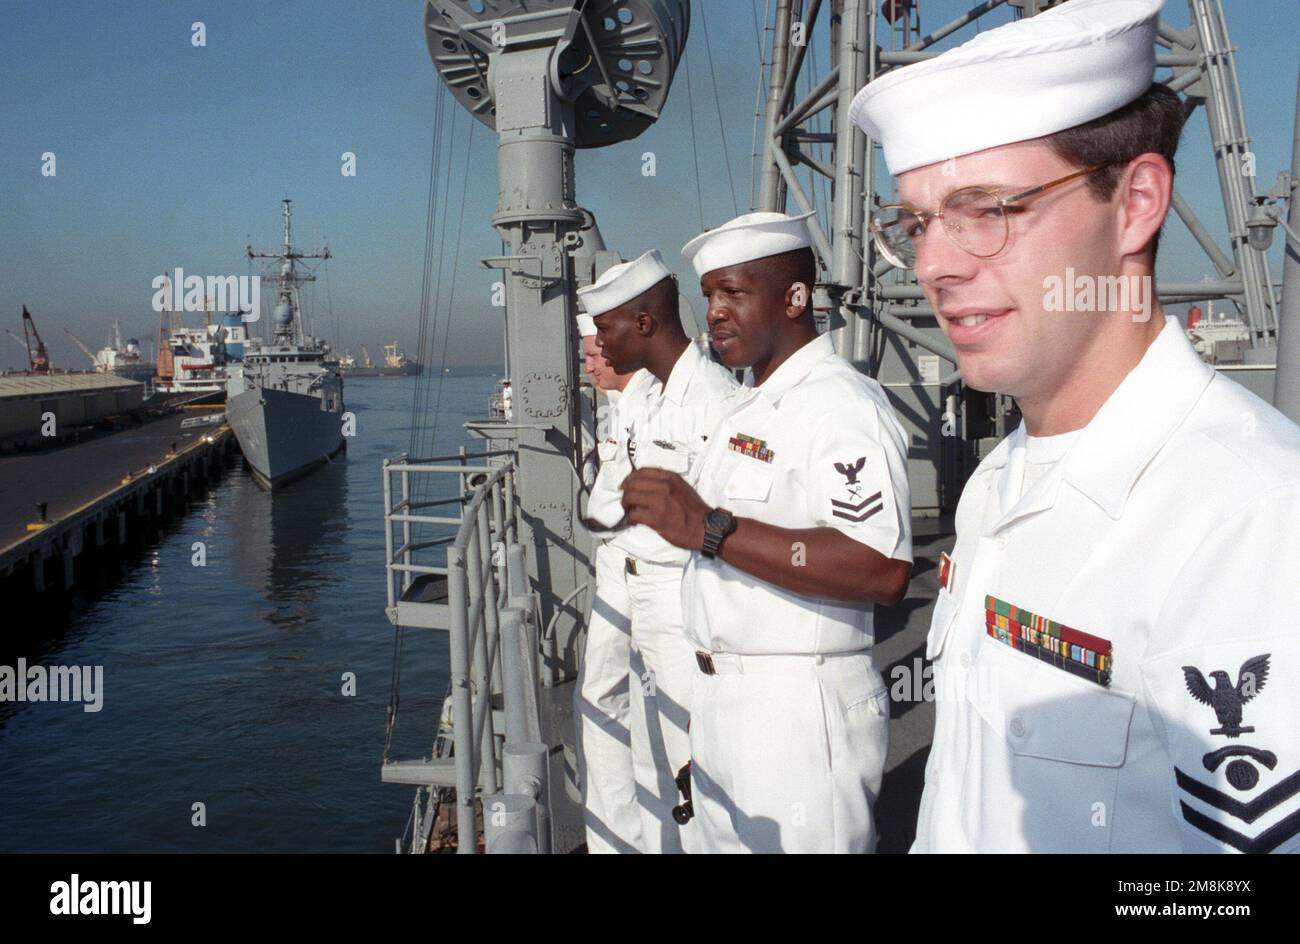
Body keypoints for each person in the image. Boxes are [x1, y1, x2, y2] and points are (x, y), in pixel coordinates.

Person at [850, 0, 1300, 853]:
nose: (933, 263)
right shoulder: (999, 483)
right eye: (915, 222)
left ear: (1135, 203)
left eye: (987, 209)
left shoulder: (1252, 525)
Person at [620, 213, 913, 853]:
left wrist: (710, 529)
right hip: (725, 704)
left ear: (795, 298)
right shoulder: (749, 407)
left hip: (795, 717)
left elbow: (882, 567)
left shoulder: (840, 405)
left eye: (734, 293)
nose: (714, 314)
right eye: (709, 296)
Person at [584, 249, 739, 853]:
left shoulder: (715, 403)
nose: (599, 345)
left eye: (605, 329)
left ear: (644, 323)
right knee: (650, 748)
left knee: (694, 756)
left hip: (682, 602)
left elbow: (728, 527)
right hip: (639, 587)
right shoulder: (647, 400)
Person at [573, 308, 649, 854]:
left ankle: (624, 838)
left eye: (594, 354)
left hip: (643, 573)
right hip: (620, 568)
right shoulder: (618, 408)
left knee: (612, 702)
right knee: (605, 701)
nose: (589, 366)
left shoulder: (650, 407)